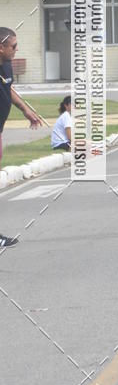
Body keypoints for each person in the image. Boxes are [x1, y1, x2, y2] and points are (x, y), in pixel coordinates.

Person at [0, 26, 43, 248]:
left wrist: (25, 110)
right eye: (13, 46)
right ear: (1, 47)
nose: (17, 49)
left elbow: (9, 89)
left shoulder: (6, 66)